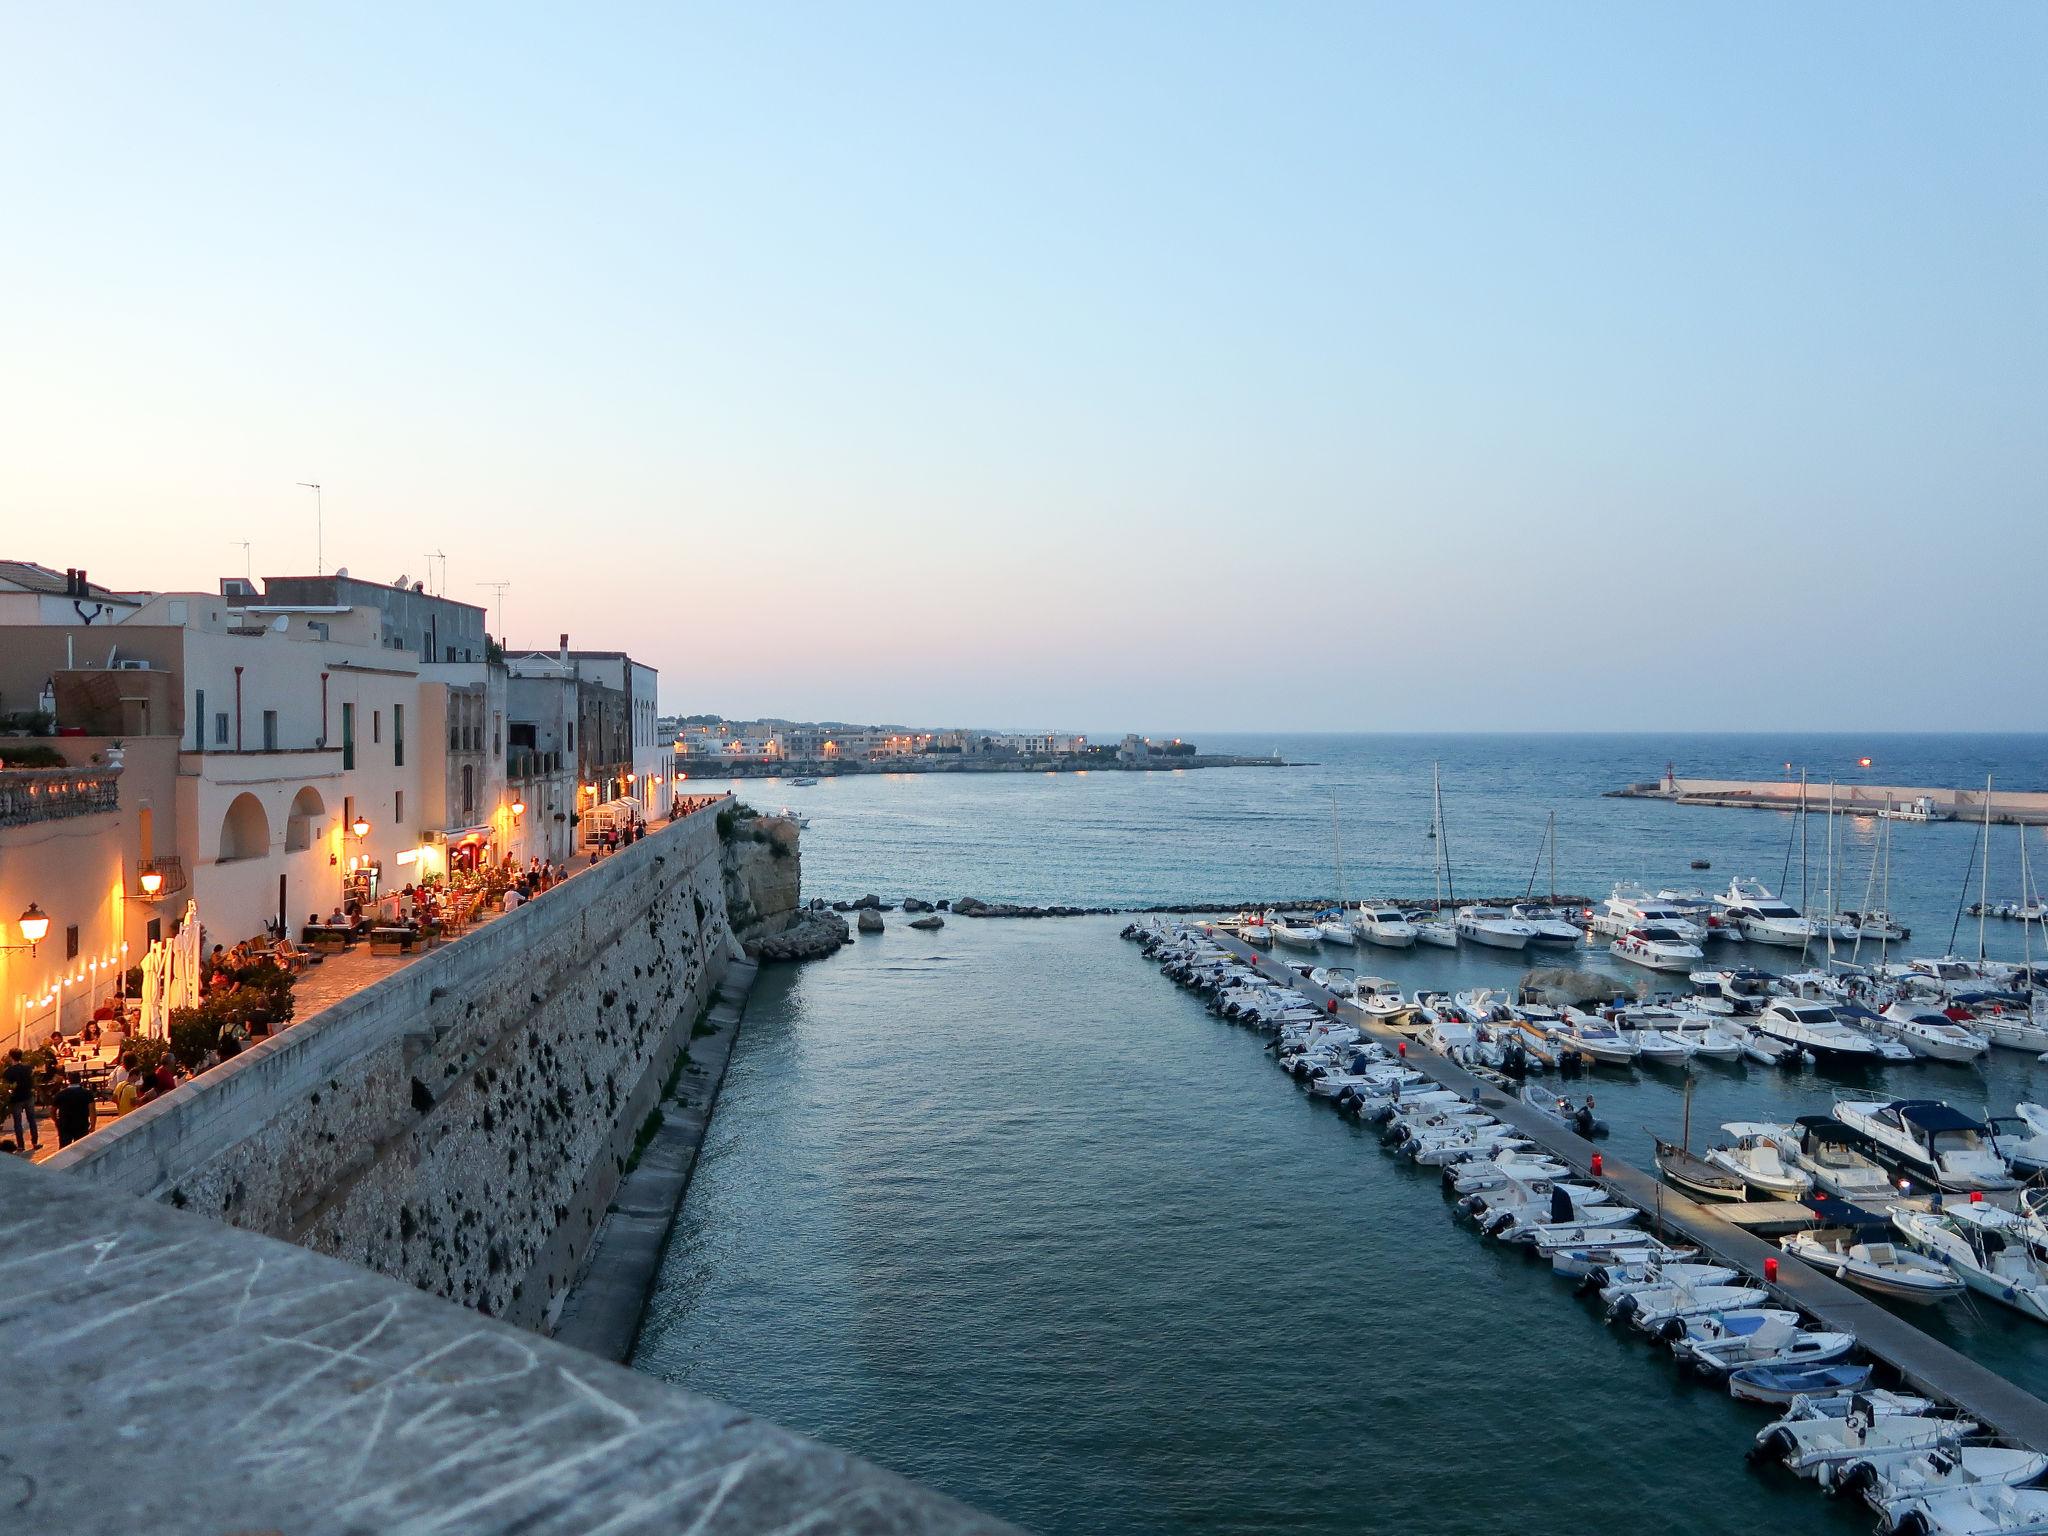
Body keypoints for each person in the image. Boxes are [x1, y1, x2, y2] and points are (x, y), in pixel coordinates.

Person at [3, 1049, 38, 1153]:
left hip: (16, 1099)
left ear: (11, 1057)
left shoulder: (8, 1071)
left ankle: (21, 1145)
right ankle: (35, 1142)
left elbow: (7, 1086)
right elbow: (32, 1081)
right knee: (32, 1119)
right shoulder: (27, 1068)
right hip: (28, 1096)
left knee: (17, 1122)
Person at [52, 1072, 94, 1148]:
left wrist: (57, 1121)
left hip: (65, 1125)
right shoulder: (87, 1093)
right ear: (80, 1080)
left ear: (69, 1080)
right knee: (81, 1148)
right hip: (81, 1124)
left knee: (64, 1149)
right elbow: (92, 1111)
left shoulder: (60, 1094)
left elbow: (52, 1111)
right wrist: (93, 1125)